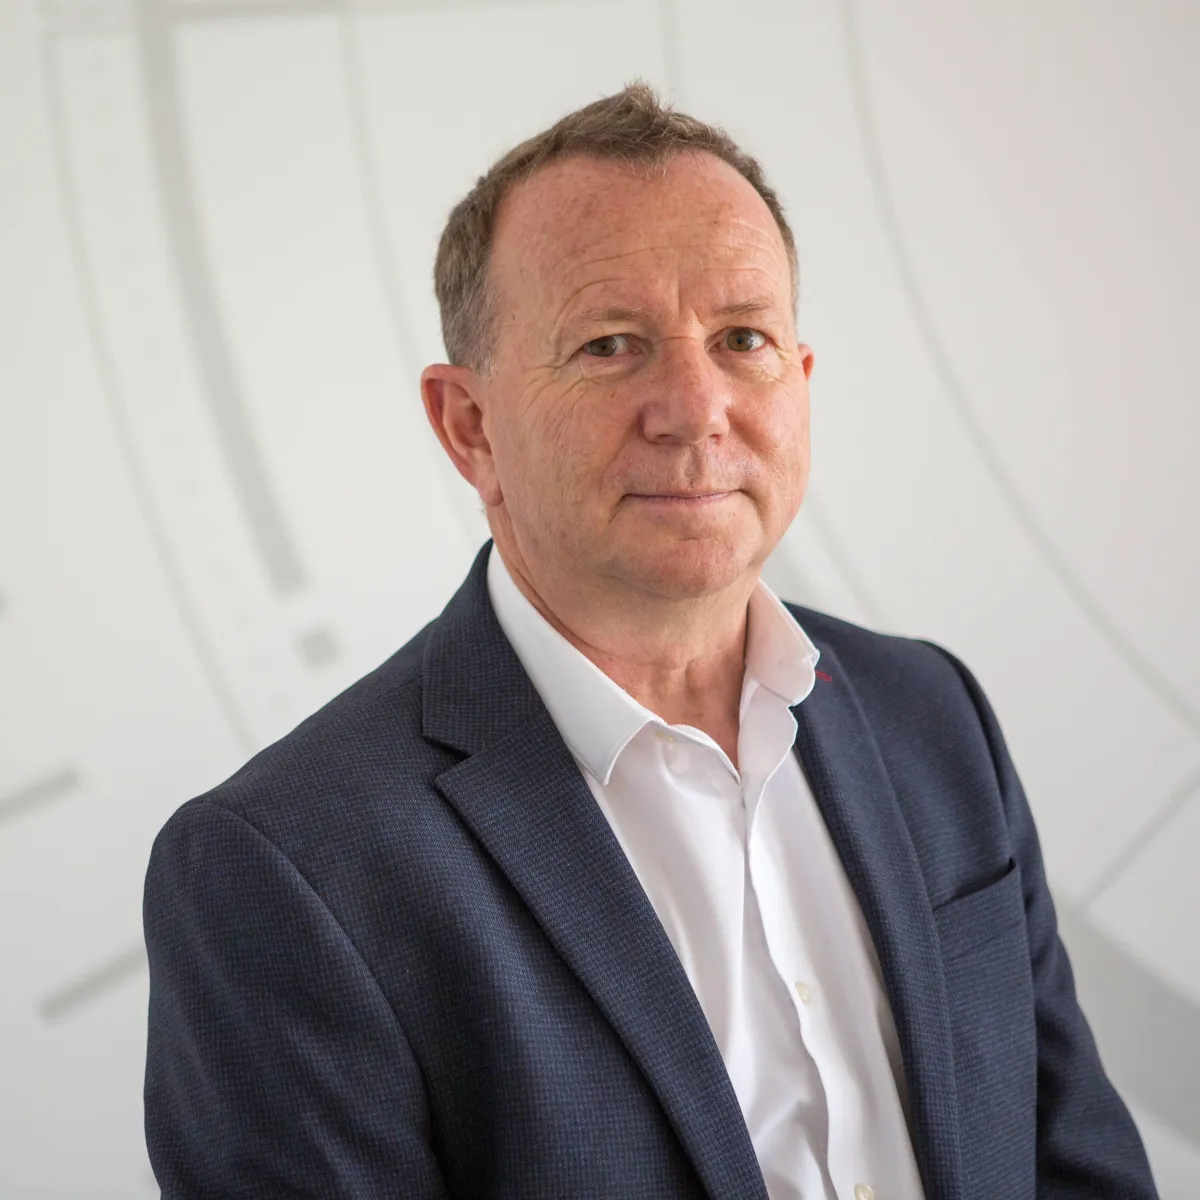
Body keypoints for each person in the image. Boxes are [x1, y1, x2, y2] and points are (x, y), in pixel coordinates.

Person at [143, 84, 1157, 1199]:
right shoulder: (291, 867)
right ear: (469, 426)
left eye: (743, 339)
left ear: (801, 385)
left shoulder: (932, 714)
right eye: (612, 345)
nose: (695, 405)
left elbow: (1075, 1166)